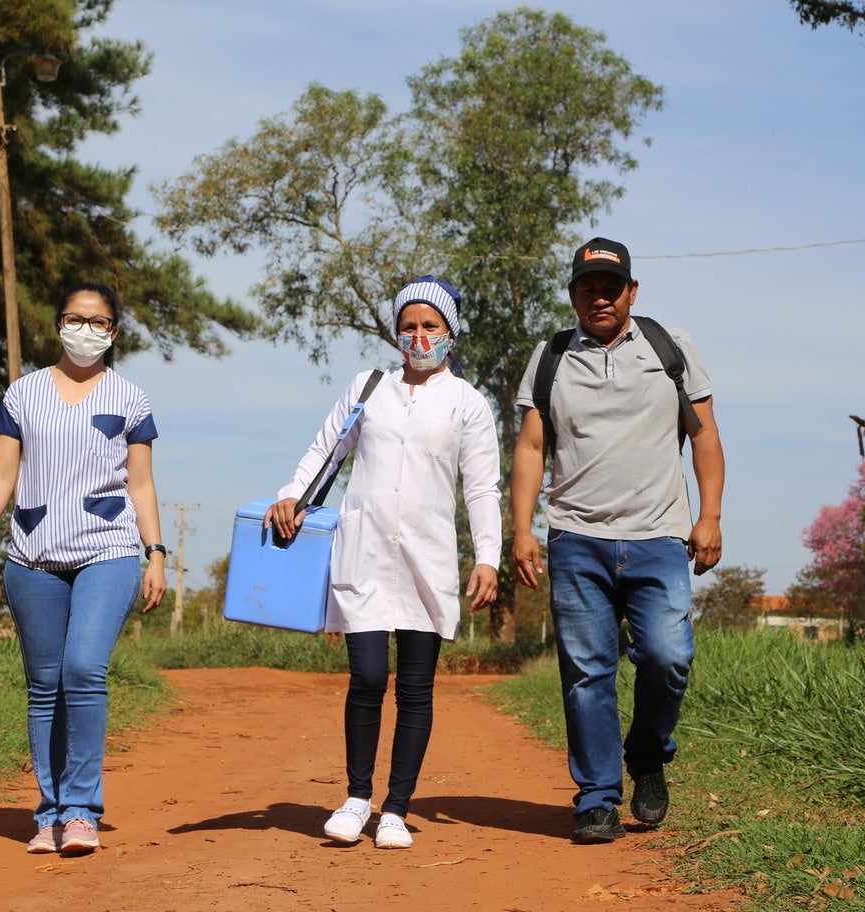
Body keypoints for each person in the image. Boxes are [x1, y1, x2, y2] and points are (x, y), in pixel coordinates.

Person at [265, 275, 500, 850]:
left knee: (416, 689)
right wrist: (293, 491)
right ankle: (356, 797)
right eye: (410, 327)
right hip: (364, 549)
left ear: (451, 333)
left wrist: (488, 556)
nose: (420, 338)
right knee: (367, 677)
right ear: (397, 333)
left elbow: (481, 488)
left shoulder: (467, 403)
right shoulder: (369, 387)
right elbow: (326, 447)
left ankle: (396, 806)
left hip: (428, 558)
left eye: (431, 327)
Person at [509, 238, 724, 844]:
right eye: (587, 288)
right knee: (586, 673)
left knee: (667, 656)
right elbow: (531, 447)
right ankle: (597, 797)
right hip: (577, 538)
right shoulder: (550, 356)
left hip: (658, 536)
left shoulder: (669, 348)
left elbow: (704, 436)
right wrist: (522, 529)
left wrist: (709, 517)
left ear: (631, 290)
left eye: (611, 287)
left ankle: (649, 755)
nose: (599, 297)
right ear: (574, 294)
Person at [0, 282, 167, 856]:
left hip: (109, 550)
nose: (86, 330)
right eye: (76, 319)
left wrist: (157, 553)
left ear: (113, 333)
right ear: (58, 325)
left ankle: (81, 811)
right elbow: (1, 476)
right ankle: (48, 812)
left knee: (82, 669)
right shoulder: (23, 394)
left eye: (99, 322)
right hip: (32, 556)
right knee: (44, 687)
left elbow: (140, 483)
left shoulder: (131, 399)